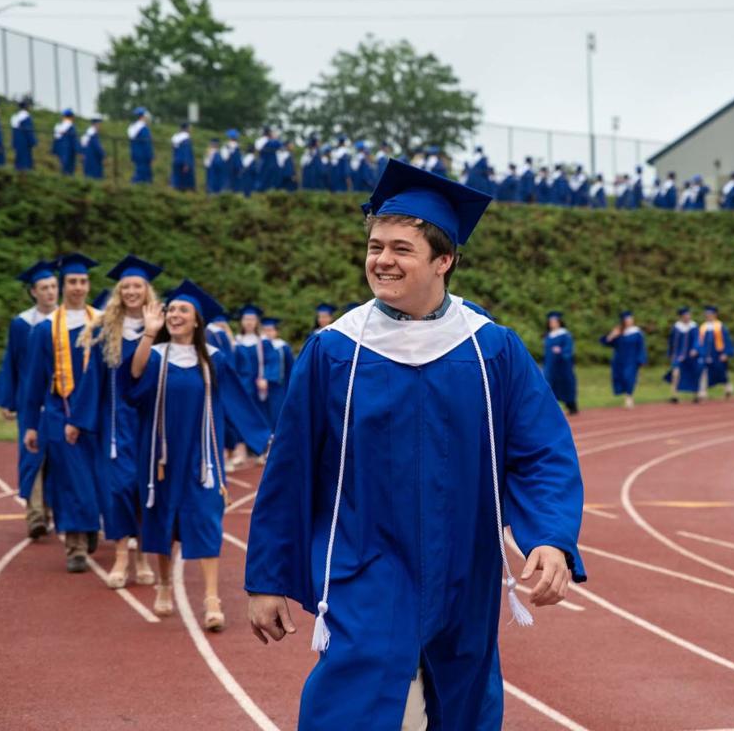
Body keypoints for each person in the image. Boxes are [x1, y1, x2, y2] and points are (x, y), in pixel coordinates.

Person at [244, 160, 585, 728]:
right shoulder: (335, 352)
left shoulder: (490, 350)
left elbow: (541, 450)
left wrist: (549, 537)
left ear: (443, 260)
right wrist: (267, 579)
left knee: (464, 706)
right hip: (365, 561)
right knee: (352, 703)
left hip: (465, 565)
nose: (382, 260)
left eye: (401, 248)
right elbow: (290, 469)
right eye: (376, 246)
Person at [130, 280, 271, 630]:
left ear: (196, 321)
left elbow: (238, 402)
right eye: (171, 309)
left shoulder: (213, 359)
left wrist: (265, 439)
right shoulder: (155, 356)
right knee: (162, 520)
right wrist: (149, 334)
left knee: (207, 520)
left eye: (183, 310)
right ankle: (163, 585)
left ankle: (211, 598)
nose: (176, 314)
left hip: (202, 459)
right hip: (161, 458)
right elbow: (133, 381)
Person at [77, 255, 163, 588]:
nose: (131, 291)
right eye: (125, 286)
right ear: (118, 291)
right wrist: (80, 420)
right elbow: (92, 379)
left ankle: (141, 555)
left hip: (148, 422)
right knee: (116, 490)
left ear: (146, 290)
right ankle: (121, 556)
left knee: (144, 488)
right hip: (114, 423)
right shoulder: (106, 330)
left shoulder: (160, 327)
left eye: (137, 286)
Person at [19, 253, 105, 572]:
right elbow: (34, 381)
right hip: (60, 411)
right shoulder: (45, 329)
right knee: (69, 480)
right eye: (72, 282)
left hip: (97, 415)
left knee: (95, 478)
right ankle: (75, 546)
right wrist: (30, 425)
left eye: (83, 281)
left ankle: (91, 525)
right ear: (63, 284)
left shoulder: (102, 324)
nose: (78, 287)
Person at [0, 259, 59, 538]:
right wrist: (10, 400)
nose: (51, 292)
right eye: (45, 288)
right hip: (31, 400)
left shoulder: (67, 320)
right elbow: (12, 363)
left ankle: (52, 510)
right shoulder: (21, 324)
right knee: (32, 457)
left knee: (58, 459)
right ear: (33, 292)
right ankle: (35, 516)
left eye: (54, 286)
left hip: (59, 400)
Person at [231, 303, 279, 466]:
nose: (249, 322)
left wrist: (267, 377)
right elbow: (232, 364)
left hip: (259, 384)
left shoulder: (263, 341)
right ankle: (241, 451)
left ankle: (263, 451)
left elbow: (272, 361)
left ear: (257, 321)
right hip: (242, 384)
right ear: (242, 321)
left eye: (252, 319)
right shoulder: (237, 342)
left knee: (261, 415)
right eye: (246, 319)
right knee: (241, 415)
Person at [602, 310, 647, 409]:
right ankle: (626, 395)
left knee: (629, 377)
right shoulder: (619, 331)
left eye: (631, 318)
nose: (629, 321)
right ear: (623, 320)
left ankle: (629, 397)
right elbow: (606, 343)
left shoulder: (637, 332)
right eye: (627, 319)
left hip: (632, 359)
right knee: (621, 378)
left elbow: (641, 347)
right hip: (619, 359)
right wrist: (612, 335)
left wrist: (642, 360)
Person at [260, 317, 294, 427]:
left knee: (277, 412)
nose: (268, 333)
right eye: (265, 330)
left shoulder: (282, 346)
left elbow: (290, 367)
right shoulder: (259, 346)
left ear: (276, 332)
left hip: (279, 386)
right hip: (260, 386)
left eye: (270, 330)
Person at [542, 311, 579, 415]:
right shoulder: (548, 336)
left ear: (559, 322)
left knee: (566, 384)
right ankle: (554, 407)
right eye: (550, 322)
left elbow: (569, 350)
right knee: (550, 384)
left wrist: (561, 351)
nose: (552, 324)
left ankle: (571, 406)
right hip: (550, 365)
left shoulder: (565, 335)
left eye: (554, 321)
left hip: (563, 366)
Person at [697, 305, 734, 400]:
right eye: (707, 314)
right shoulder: (703, 327)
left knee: (722, 372)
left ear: (715, 315)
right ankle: (702, 392)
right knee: (703, 371)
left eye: (710, 314)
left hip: (718, 353)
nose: (708, 316)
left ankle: (728, 388)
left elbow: (726, 340)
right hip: (706, 353)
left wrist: (726, 353)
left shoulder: (720, 326)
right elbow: (699, 341)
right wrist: (699, 352)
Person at [667, 306, 702, 404]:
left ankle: (696, 395)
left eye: (689, 314)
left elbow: (697, 339)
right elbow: (671, 341)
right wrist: (670, 353)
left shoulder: (694, 326)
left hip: (691, 355)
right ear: (681, 316)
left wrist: (695, 349)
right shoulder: (676, 327)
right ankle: (674, 395)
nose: (688, 316)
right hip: (678, 355)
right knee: (675, 373)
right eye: (686, 315)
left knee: (693, 374)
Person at [128, 108, 154, 184]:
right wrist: (150, 156)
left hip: (136, 155)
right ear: (143, 117)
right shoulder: (143, 129)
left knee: (138, 172)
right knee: (143, 176)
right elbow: (147, 145)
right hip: (144, 156)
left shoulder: (133, 127)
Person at [9, 98, 37, 171]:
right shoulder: (26, 117)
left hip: (17, 143)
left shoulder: (15, 117)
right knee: (26, 163)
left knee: (18, 161)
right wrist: (33, 142)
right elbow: (28, 131)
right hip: (25, 143)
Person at [171, 122, 196, 191]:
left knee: (177, 181)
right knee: (185, 184)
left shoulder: (176, 137)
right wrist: (187, 164)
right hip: (184, 162)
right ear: (186, 128)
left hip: (176, 161)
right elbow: (186, 152)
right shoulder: (186, 138)